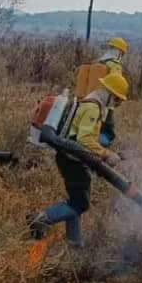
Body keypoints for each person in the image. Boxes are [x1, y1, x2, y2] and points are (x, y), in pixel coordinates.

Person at [27, 71, 129, 248]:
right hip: (72, 159)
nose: (118, 104)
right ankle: (42, 218)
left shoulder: (91, 102)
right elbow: (84, 140)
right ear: (111, 93)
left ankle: (75, 246)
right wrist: (106, 154)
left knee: (76, 201)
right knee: (80, 203)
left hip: (69, 157)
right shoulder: (93, 107)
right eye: (118, 99)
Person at [96, 37, 127, 147]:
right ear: (119, 52)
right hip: (108, 99)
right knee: (108, 128)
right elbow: (117, 81)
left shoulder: (99, 62)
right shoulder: (115, 64)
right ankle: (103, 150)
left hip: (95, 97)